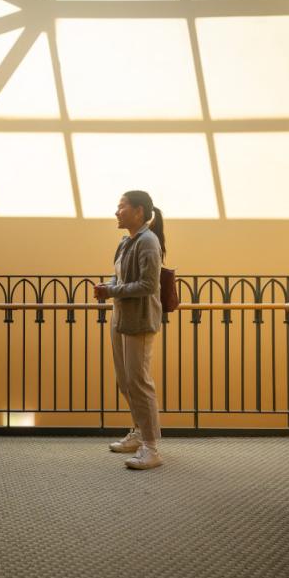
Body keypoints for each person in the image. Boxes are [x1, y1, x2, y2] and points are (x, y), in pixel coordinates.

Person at [94, 191, 166, 470]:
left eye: (121, 206)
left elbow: (149, 286)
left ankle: (151, 447)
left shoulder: (148, 241)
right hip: (121, 317)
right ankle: (139, 433)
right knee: (125, 381)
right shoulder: (126, 242)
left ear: (138, 211)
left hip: (139, 320)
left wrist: (110, 290)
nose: (116, 211)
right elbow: (120, 276)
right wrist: (107, 286)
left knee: (139, 383)